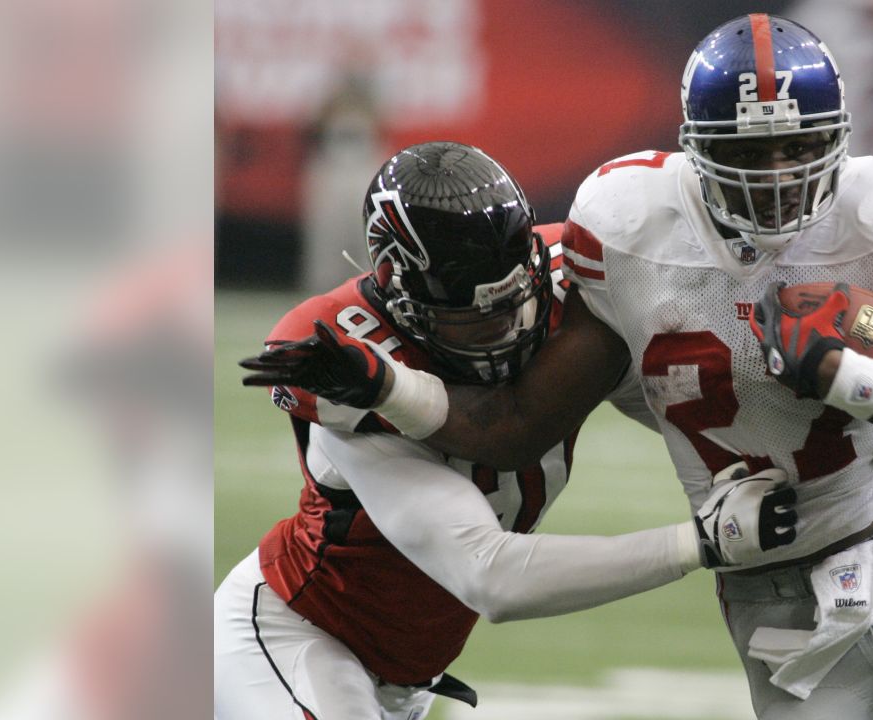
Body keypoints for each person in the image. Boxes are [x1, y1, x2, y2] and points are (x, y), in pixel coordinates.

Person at [242, 14, 873, 718]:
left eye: (797, 147)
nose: (776, 175)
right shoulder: (634, 236)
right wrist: (389, 384)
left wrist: (871, 390)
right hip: (783, 599)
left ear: (839, 139)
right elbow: (515, 428)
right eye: (750, 150)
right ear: (692, 148)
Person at [217, 141, 803, 720]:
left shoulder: (566, 280)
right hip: (302, 635)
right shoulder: (347, 367)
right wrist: (698, 543)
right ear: (405, 297)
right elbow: (490, 574)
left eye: (515, 303)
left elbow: (679, 401)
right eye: (477, 318)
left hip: (407, 679)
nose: (508, 331)